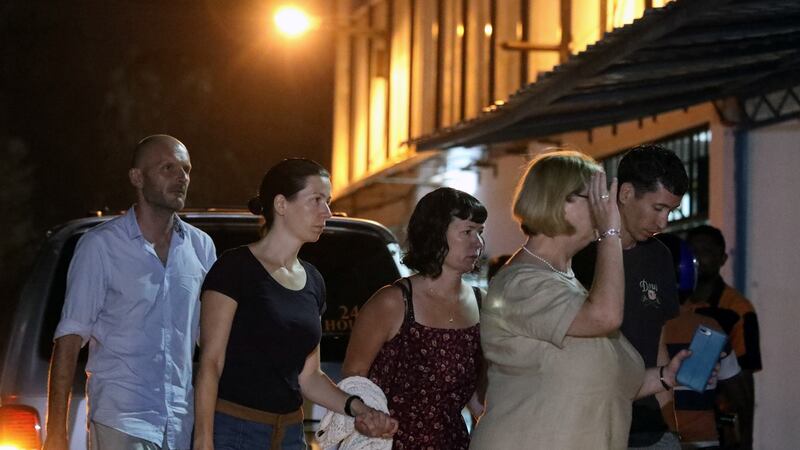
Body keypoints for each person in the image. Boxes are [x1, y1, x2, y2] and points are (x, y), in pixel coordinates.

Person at [471, 150, 689, 450]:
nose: (605, 206)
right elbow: (605, 317)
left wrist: (665, 376)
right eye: (596, 197)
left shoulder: (567, 284)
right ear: (559, 201)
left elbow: (609, 382)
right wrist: (610, 233)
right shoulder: (520, 284)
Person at [193, 158, 397, 450]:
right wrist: (203, 440)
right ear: (281, 204)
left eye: (327, 201)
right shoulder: (235, 268)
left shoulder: (313, 280)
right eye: (316, 200)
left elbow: (309, 376)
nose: (326, 212)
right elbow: (210, 364)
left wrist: (360, 409)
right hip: (234, 430)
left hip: (289, 433)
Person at [44, 135, 217, 450]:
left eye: (186, 169)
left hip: (179, 423)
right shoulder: (101, 246)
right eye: (168, 168)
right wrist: (56, 435)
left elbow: (212, 342)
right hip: (121, 420)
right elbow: (69, 341)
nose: (182, 178)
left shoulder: (200, 247)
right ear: (137, 177)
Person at [342, 187, 488, 450]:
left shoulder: (482, 304)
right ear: (435, 233)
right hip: (387, 443)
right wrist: (368, 418)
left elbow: (478, 398)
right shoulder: (393, 302)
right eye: (467, 232)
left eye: (480, 232)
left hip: (453, 442)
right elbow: (353, 376)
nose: (477, 243)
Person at [572, 144, 690, 449]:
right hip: (591, 424)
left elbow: (658, 342)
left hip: (648, 427)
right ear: (625, 194)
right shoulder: (579, 253)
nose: (663, 223)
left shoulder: (659, 256)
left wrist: (672, 428)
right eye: (658, 208)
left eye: (671, 212)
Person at [657, 233, 742, 449]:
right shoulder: (708, 328)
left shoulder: (634, 329)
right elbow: (737, 391)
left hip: (653, 442)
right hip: (703, 441)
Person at [686, 225, 761, 450]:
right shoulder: (673, 303)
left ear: (722, 258)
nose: (698, 258)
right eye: (693, 252)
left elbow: (744, 383)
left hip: (718, 428)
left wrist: (746, 440)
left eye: (706, 251)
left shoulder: (738, 310)